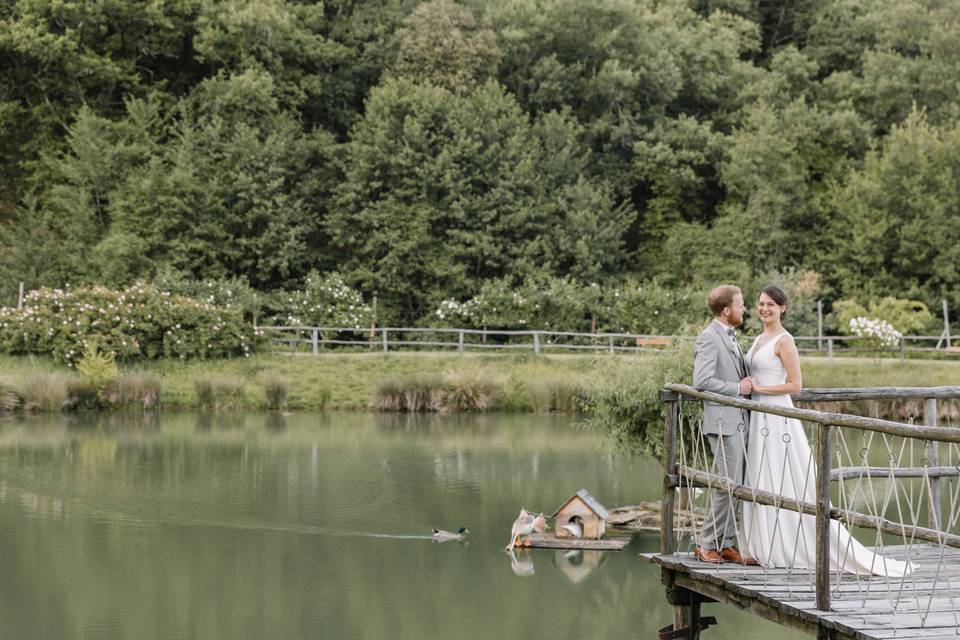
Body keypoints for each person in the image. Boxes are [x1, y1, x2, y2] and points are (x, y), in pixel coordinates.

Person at [740, 285, 910, 576]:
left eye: (770, 304)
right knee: (760, 472)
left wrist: (761, 388)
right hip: (758, 416)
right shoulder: (759, 338)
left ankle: (791, 543)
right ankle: (761, 542)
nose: (764, 309)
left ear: (782, 308)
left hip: (777, 415)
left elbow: (795, 385)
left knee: (784, 474)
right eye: (760, 304)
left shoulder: (785, 340)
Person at [692, 285, 759, 565]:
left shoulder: (730, 337)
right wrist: (738, 388)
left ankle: (726, 543)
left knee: (738, 485)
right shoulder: (708, 338)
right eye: (741, 304)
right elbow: (702, 382)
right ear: (727, 310)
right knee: (726, 485)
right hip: (722, 423)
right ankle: (707, 544)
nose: (745, 309)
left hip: (739, 422)